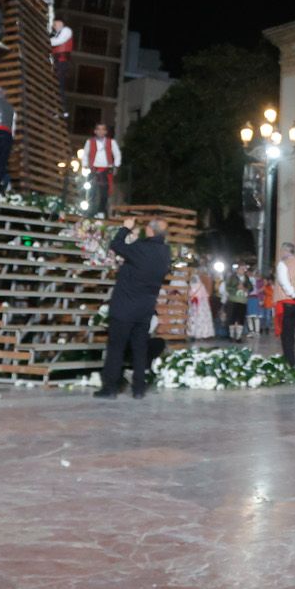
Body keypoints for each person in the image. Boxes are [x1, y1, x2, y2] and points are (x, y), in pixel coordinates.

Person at [96, 215, 169, 400]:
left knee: (116, 348)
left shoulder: (142, 248)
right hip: (145, 309)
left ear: (150, 231)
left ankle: (110, 387)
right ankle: (138, 388)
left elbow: (116, 245)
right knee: (139, 348)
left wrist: (126, 228)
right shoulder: (165, 252)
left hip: (125, 307)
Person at [75, 122, 121, 218]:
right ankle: (90, 212)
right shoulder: (90, 142)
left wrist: (115, 165)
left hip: (106, 170)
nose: (100, 131)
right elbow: (85, 155)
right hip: (93, 170)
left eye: (103, 129)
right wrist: (85, 165)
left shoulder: (111, 142)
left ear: (105, 131)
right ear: (95, 131)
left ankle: (101, 211)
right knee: (91, 191)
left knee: (104, 192)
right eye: (98, 129)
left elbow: (117, 154)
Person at [48, 16, 74, 115]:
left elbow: (59, 41)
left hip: (61, 62)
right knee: (56, 84)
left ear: (61, 23)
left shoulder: (66, 30)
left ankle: (63, 108)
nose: (54, 26)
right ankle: (56, 108)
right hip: (57, 61)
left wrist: (47, 40)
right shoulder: (57, 34)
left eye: (55, 24)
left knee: (59, 84)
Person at [220, 265, 249, 340]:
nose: (242, 271)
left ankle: (238, 336)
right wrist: (236, 288)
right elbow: (227, 288)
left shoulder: (246, 278)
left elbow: (250, 287)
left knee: (241, 318)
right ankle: (232, 336)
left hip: (243, 301)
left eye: (243, 269)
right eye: (241, 269)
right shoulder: (232, 278)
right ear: (237, 270)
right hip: (233, 300)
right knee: (232, 318)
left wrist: (245, 288)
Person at [186, 268, 214, 341]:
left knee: (193, 319)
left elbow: (189, 295)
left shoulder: (190, 286)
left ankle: (191, 333)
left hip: (193, 305)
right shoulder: (201, 286)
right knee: (202, 319)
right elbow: (205, 295)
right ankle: (203, 334)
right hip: (201, 305)